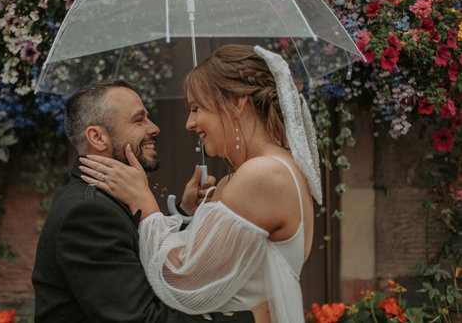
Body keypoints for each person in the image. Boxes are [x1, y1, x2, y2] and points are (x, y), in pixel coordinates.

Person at [80, 45, 323, 323]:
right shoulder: (275, 166)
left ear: (236, 103)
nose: (190, 123)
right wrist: (192, 214)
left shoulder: (263, 174)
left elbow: (184, 281)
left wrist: (144, 202)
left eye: (196, 108)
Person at [31, 79, 269, 323]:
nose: (154, 128)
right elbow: (142, 318)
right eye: (138, 120)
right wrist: (248, 320)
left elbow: (135, 249)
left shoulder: (100, 197)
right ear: (98, 137)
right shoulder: (87, 212)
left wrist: (186, 212)